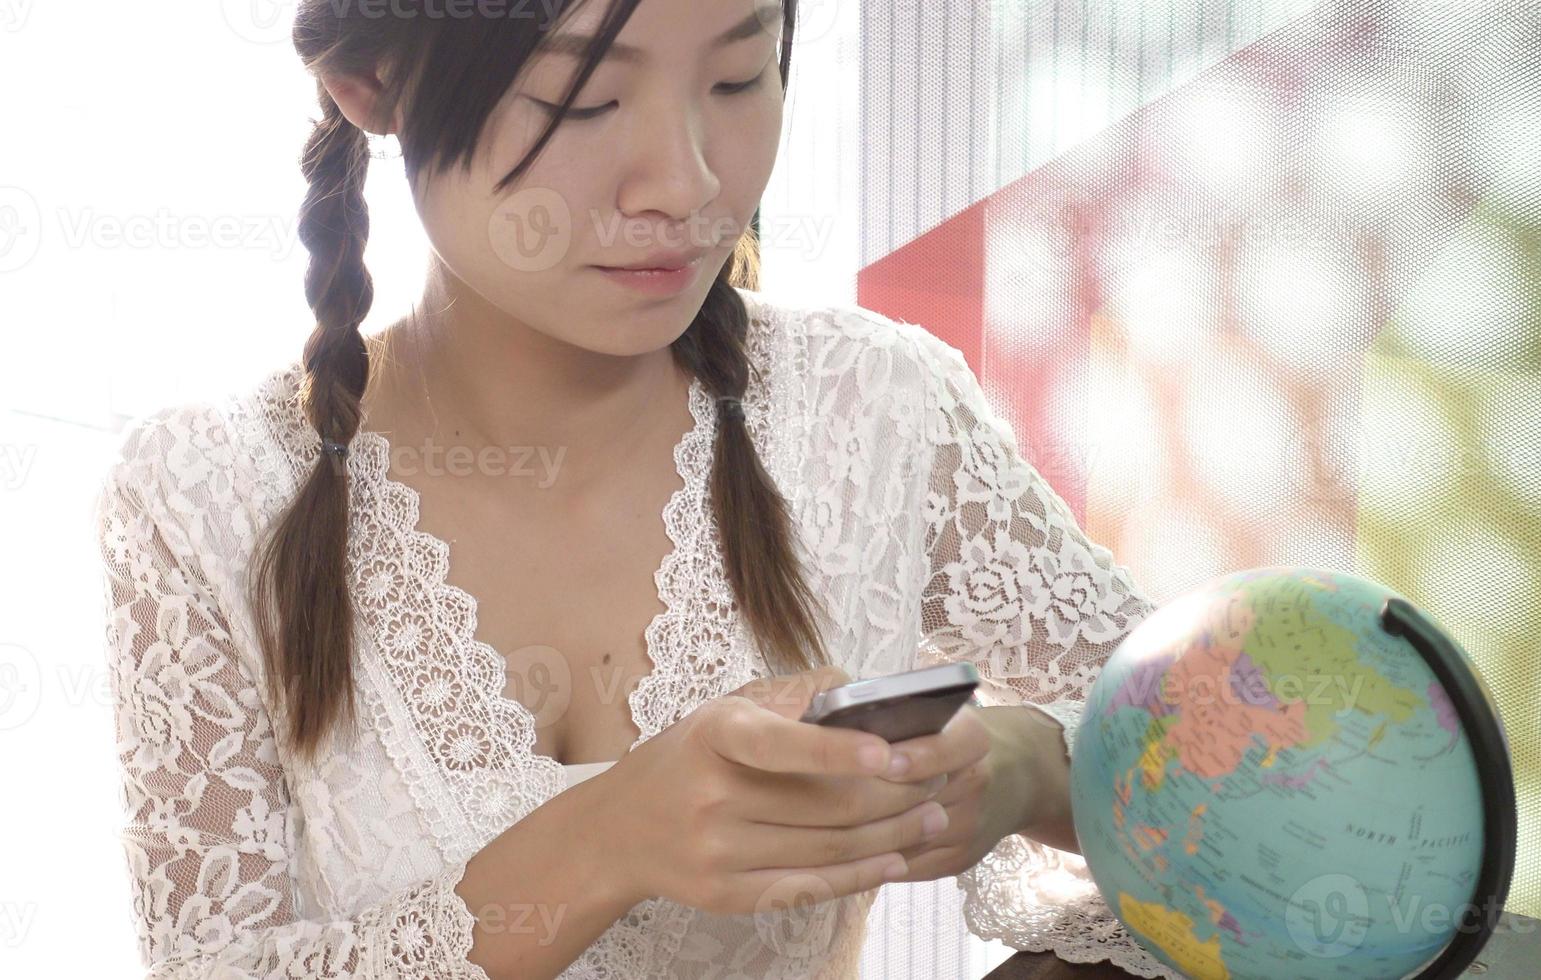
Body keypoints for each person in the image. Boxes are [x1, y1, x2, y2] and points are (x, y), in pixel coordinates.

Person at [91, 0, 1169, 976]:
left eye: (738, 79)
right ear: (370, 79)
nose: (685, 182)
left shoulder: (873, 407)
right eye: (583, 97)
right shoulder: (206, 496)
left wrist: (1034, 767)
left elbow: (1250, 758)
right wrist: (612, 833)